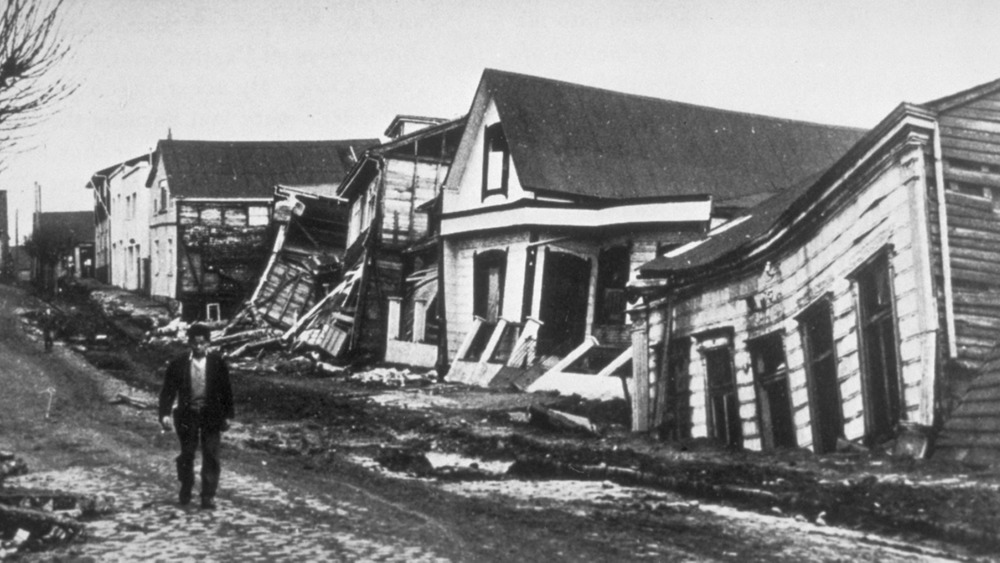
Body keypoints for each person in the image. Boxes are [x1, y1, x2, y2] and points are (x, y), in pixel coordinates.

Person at [158, 323, 234, 509]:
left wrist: (228, 415)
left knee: (211, 454)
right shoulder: (179, 363)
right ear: (189, 343)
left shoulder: (217, 363)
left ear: (208, 343)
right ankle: (186, 485)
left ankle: (208, 495)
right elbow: (168, 390)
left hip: (211, 415)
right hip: (187, 415)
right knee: (187, 453)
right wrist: (165, 413)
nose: (198, 346)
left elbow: (226, 391)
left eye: (202, 343)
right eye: (195, 343)